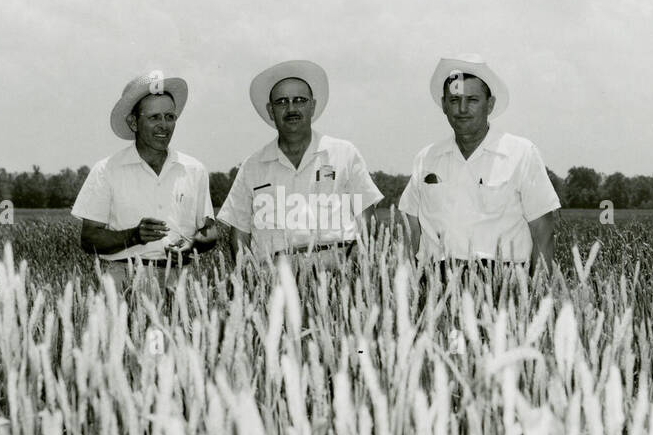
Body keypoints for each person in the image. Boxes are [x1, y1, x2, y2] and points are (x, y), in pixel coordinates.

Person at [398, 54, 559, 278]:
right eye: (454, 100)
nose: (462, 109)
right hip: (435, 283)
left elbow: (543, 231)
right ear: (444, 105)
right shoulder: (427, 158)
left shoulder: (521, 153)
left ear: (490, 104)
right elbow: (410, 228)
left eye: (472, 100)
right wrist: (406, 289)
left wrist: (537, 297)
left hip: (503, 283)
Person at [218, 59, 383, 272]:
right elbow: (239, 234)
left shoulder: (344, 154)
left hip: (340, 272)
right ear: (270, 110)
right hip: (274, 277)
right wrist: (250, 280)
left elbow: (368, 221)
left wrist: (357, 270)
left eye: (299, 100)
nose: (291, 108)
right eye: (282, 102)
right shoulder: (252, 167)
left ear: (312, 106)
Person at [71, 73, 220, 298]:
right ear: (133, 122)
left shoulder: (194, 169)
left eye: (170, 117)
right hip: (124, 279)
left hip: (180, 280)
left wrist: (192, 246)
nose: (164, 126)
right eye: (154, 117)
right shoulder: (106, 170)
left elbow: (210, 231)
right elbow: (89, 238)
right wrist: (133, 236)